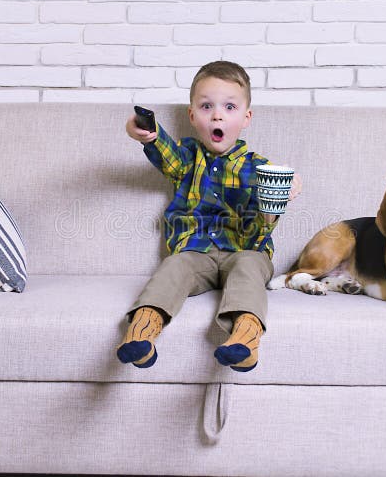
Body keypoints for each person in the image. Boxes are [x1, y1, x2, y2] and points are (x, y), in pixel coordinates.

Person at [116, 60, 302, 372]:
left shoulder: (258, 166)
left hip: (244, 250)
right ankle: (141, 335)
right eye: (206, 106)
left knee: (249, 267)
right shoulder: (187, 157)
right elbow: (165, 152)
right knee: (173, 266)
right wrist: (146, 133)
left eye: (229, 107)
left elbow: (266, 225)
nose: (217, 115)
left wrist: (282, 193)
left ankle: (245, 340)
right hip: (195, 253)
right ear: (192, 116)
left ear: (246, 118)